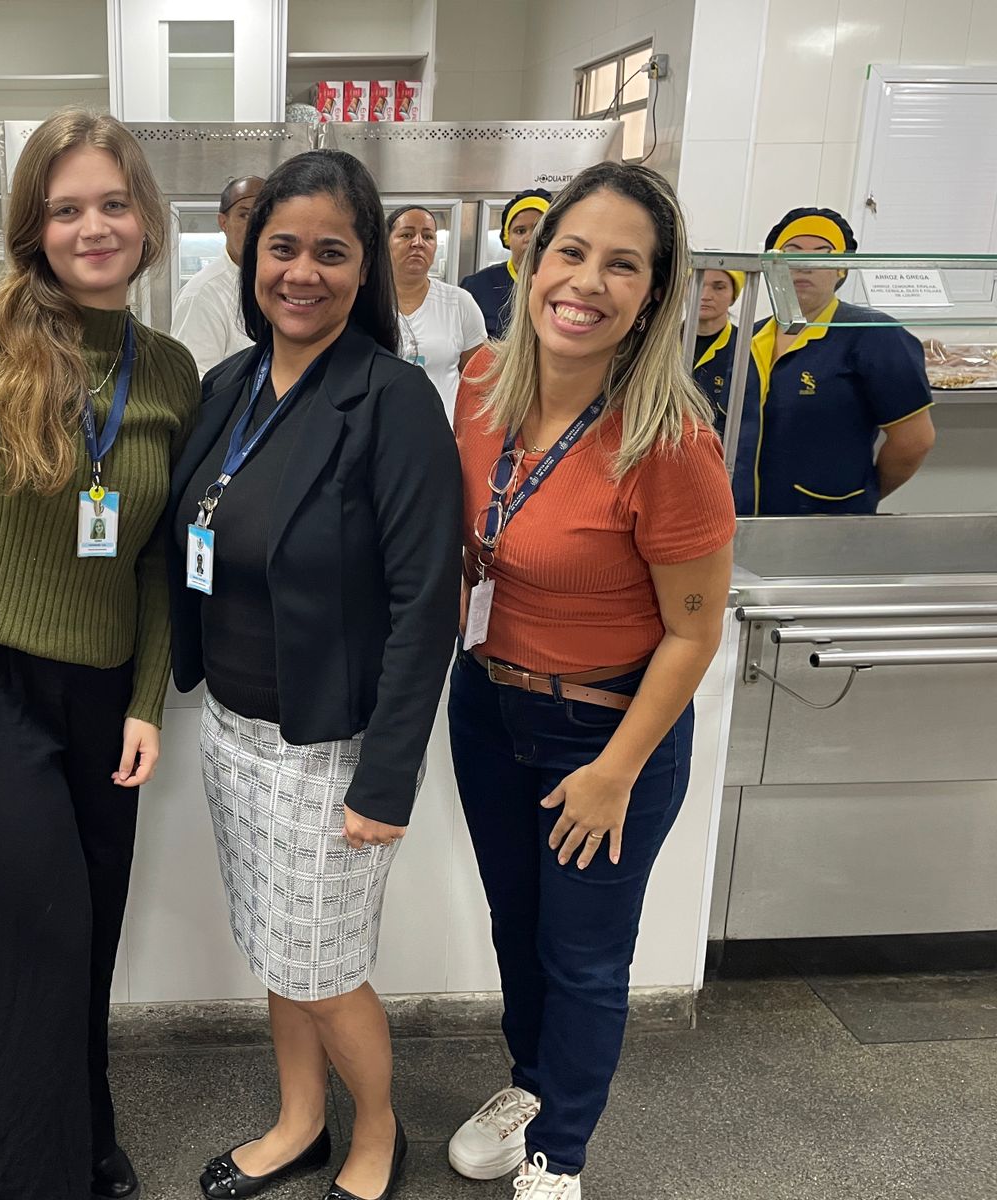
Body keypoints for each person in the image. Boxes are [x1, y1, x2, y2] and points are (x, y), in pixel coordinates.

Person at [0, 107, 198, 1200]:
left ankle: (85, 1141)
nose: (93, 227)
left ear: (146, 219)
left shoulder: (170, 372)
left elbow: (157, 559)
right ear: (34, 228)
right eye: (67, 209)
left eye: (113, 203)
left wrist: (147, 699)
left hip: (104, 700)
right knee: (30, 955)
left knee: (88, 940)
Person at [166, 150, 462, 1200]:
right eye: (282, 248)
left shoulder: (392, 402)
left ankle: (377, 1130)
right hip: (234, 731)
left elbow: (425, 604)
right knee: (277, 949)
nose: (302, 273)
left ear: (364, 265)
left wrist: (387, 779)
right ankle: (299, 1122)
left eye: (330, 253)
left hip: (329, 750)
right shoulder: (230, 386)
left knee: (326, 968)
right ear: (251, 257)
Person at [446, 161, 736, 1200]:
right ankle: (531, 1089)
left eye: (622, 265)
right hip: (487, 707)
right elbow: (482, 536)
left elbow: (693, 634)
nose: (586, 282)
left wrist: (616, 771)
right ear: (532, 264)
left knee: (584, 957)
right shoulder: (481, 386)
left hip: (607, 731)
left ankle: (559, 1154)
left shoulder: (670, 442)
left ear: (653, 295)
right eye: (569, 252)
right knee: (516, 930)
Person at [731, 207, 935, 515]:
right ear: (773, 265)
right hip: (743, 517)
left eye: (823, 254)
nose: (806, 266)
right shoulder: (749, 335)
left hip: (827, 521)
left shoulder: (874, 335)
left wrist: (860, 495)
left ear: (841, 268)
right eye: (792, 253)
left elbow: (914, 441)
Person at [388, 204, 487, 421]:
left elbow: (479, 381)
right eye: (406, 235)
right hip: (377, 434)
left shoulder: (459, 303)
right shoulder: (364, 303)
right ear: (385, 244)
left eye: (428, 236)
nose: (418, 243)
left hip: (442, 433)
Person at [172, 174, 263, 376]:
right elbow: (194, 380)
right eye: (244, 215)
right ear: (223, 222)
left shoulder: (278, 285)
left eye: (263, 214)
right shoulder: (202, 295)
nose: (255, 225)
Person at [460, 187, 551, 341]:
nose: (529, 238)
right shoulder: (477, 287)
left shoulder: (565, 285)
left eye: (539, 229)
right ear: (507, 238)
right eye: (520, 231)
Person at [690, 268, 742, 435]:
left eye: (718, 287)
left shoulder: (746, 346)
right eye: (697, 283)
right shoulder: (661, 341)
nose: (705, 295)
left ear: (733, 296)